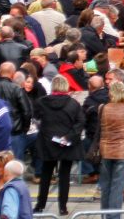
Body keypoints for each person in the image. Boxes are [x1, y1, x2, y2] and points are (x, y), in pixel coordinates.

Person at [32, 76, 84, 214]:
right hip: (67, 143)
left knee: (46, 174)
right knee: (65, 175)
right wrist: (68, 137)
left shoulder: (41, 102)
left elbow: (36, 118)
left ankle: (40, 205)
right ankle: (63, 207)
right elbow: (80, 123)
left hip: (48, 142)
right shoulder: (74, 104)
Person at [97, 81, 124, 213]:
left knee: (106, 187)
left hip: (106, 150)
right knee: (117, 188)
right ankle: (114, 217)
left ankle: (105, 214)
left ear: (111, 93)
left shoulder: (103, 108)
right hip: (123, 151)